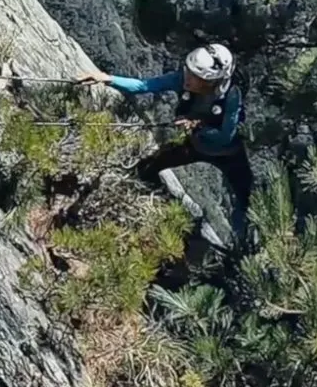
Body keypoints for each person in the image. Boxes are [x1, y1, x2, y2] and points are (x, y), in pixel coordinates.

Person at [78, 43, 253, 248]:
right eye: (188, 71)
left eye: (195, 76)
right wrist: (107, 78)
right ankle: (150, 196)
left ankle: (244, 247)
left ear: (211, 81)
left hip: (227, 153)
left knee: (246, 198)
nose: (187, 78)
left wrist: (196, 126)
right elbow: (144, 86)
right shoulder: (183, 79)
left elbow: (225, 136)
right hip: (196, 144)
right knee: (148, 166)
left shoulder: (232, 95)